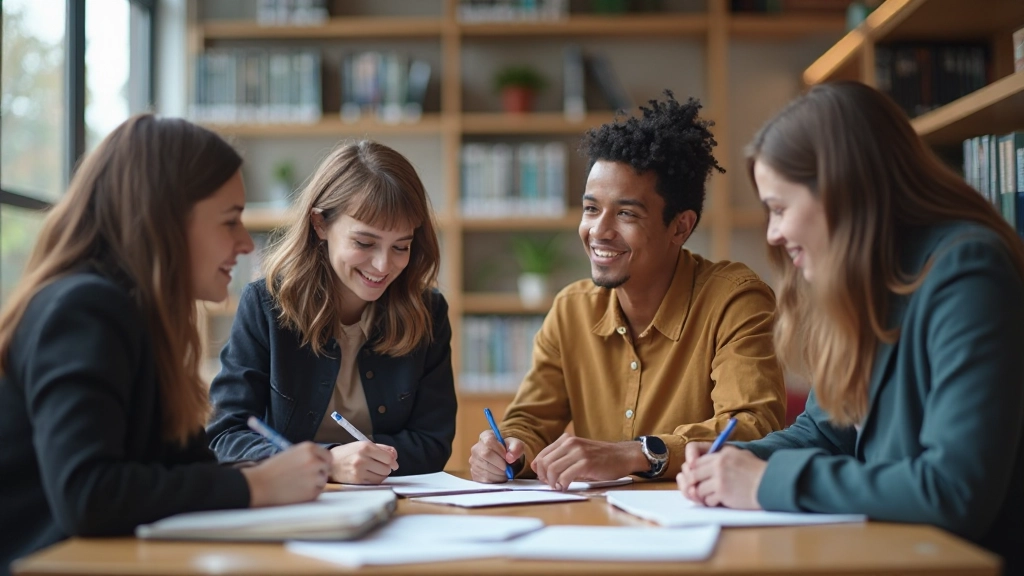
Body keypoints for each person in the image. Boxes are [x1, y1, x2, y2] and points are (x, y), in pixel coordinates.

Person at [677, 81, 1024, 573]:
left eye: (779, 208)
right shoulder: (871, 280)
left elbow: (953, 491)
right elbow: (824, 431)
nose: (773, 233)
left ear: (842, 192)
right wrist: (733, 459)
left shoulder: (967, 272)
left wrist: (762, 484)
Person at [0, 115, 332, 576]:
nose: (244, 243)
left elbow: (185, 466)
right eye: (230, 221)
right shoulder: (85, 309)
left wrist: (267, 479)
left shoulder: (140, 318)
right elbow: (88, 494)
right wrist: (256, 486)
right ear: (165, 220)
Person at [469, 92, 787, 489]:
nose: (598, 231)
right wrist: (509, 450)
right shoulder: (571, 309)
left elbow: (753, 429)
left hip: (701, 527)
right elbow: (530, 421)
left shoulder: (736, 300)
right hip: (600, 527)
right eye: (590, 209)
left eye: (625, 213)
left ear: (680, 227)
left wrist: (636, 453)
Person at [207, 140, 456, 484]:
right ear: (320, 224)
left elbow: (433, 442)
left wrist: (361, 462)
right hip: (292, 504)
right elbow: (225, 437)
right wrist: (326, 461)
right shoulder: (266, 304)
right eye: (365, 243)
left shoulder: (428, 312)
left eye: (401, 246)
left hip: (398, 505)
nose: (384, 265)